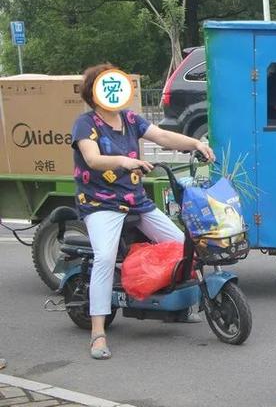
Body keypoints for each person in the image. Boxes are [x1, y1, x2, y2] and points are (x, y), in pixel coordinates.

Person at [72, 63, 215, 360]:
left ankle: (180, 305)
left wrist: (195, 144)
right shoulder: (85, 124)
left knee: (183, 244)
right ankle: (98, 333)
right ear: (95, 94)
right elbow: (93, 159)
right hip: (101, 202)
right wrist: (124, 161)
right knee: (105, 258)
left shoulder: (130, 119)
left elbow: (162, 137)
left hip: (136, 199)